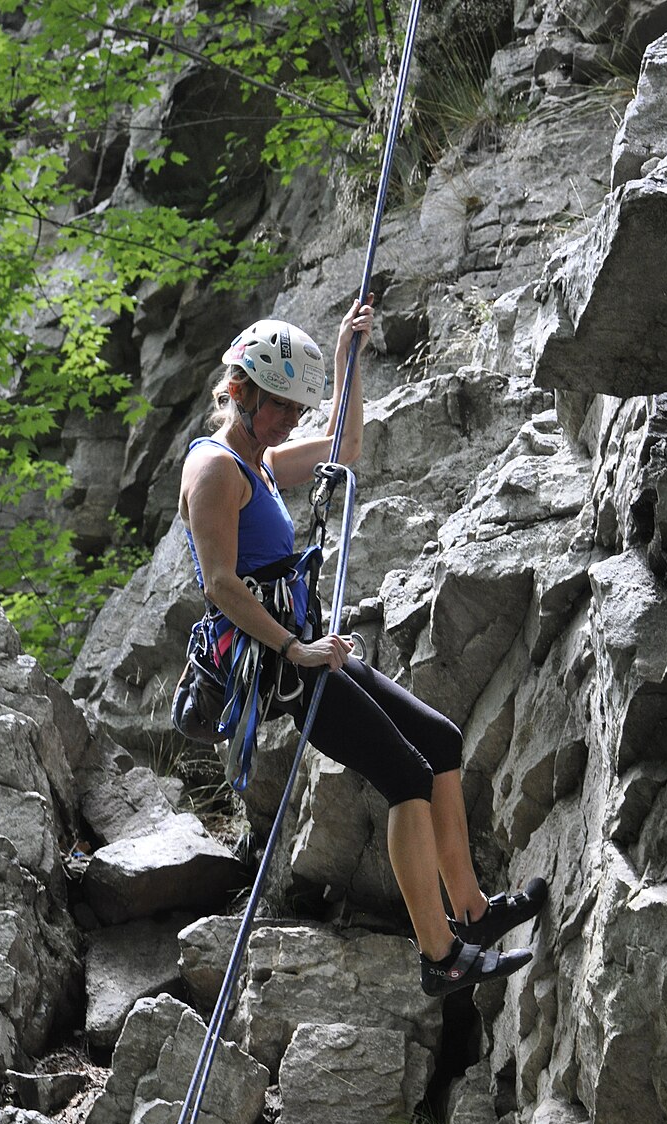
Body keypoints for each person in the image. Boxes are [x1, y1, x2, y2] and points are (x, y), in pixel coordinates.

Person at [178, 300, 546, 997]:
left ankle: (471, 912)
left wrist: (348, 360)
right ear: (243, 392)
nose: (292, 417)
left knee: (438, 740)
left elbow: (345, 450)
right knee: (404, 776)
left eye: (296, 405)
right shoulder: (216, 471)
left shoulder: (257, 463)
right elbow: (223, 585)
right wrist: (297, 648)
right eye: (283, 405)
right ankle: (439, 955)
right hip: (279, 668)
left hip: (303, 650)